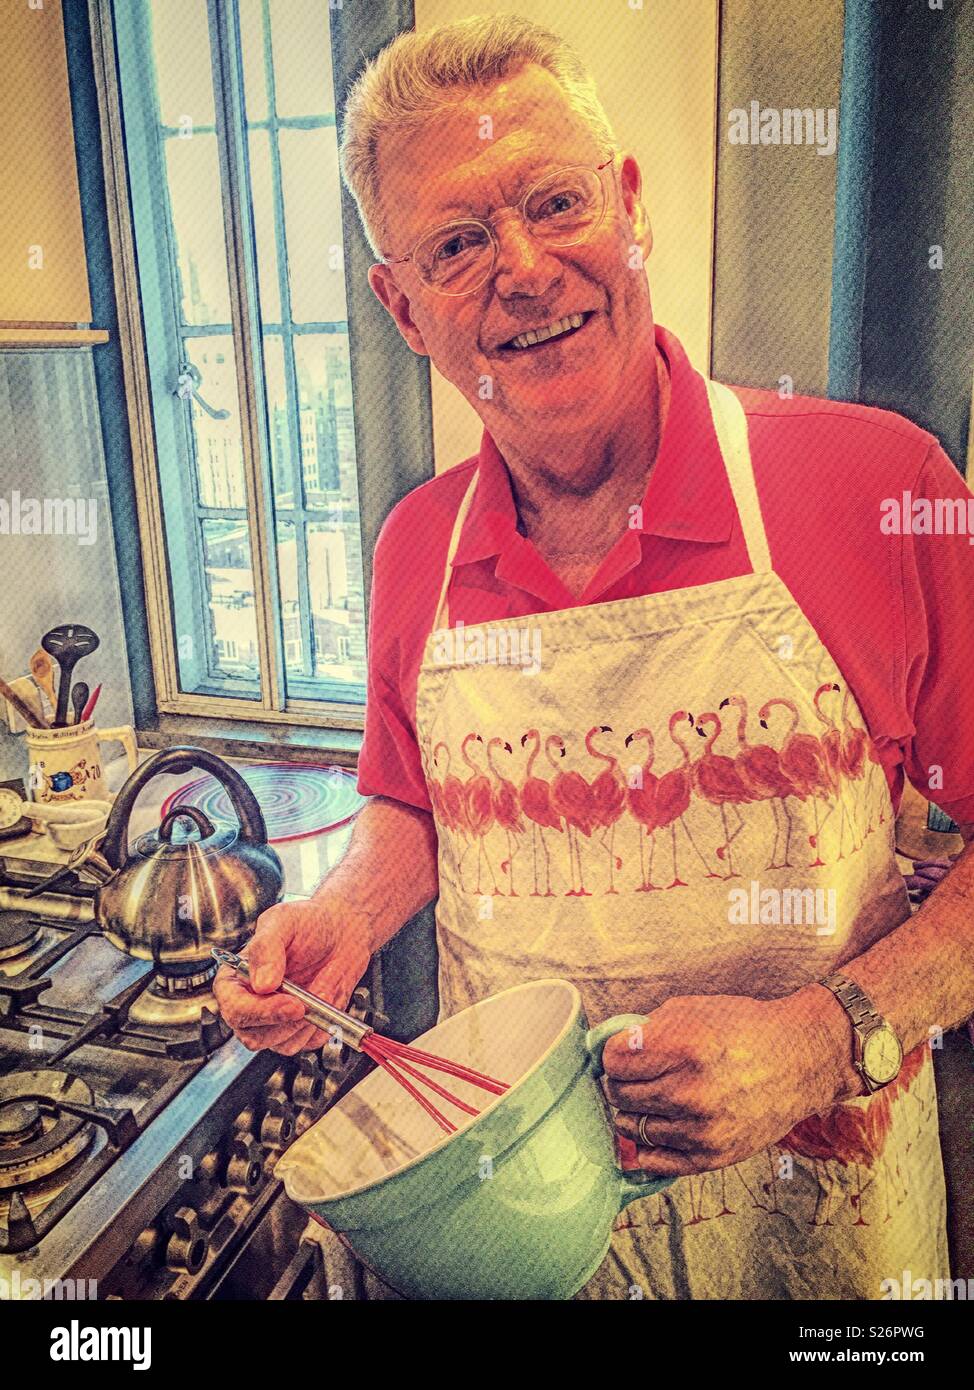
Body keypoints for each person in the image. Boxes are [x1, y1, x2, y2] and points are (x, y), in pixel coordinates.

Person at [214, 13, 974, 1299]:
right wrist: (343, 914)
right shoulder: (415, 547)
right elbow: (414, 801)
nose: (520, 267)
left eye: (554, 203)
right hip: (520, 1239)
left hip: (817, 1242)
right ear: (403, 306)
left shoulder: (876, 487)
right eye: (456, 243)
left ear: (628, 209)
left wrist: (821, 1039)